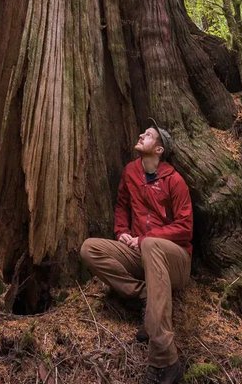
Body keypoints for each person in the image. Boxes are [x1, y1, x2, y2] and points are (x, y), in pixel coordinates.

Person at [80, 123, 193, 384]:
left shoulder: (174, 180)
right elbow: (122, 205)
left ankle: (165, 360)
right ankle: (146, 295)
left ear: (159, 149)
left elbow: (185, 228)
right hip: (139, 253)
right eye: (143, 133)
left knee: (151, 244)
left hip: (174, 259)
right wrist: (121, 232)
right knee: (90, 249)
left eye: (149, 135)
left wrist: (144, 239)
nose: (141, 135)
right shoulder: (131, 171)